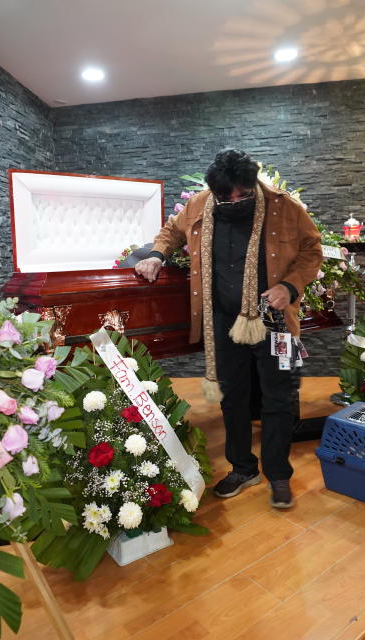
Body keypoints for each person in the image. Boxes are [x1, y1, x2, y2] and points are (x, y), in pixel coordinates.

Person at [135, 149, 322, 508]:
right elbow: (171, 231)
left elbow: (312, 249)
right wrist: (157, 255)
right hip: (222, 321)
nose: (235, 201)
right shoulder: (201, 205)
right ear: (215, 191)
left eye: (243, 194)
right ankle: (242, 467)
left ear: (253, 184)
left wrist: (290, 286)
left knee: (279, 398)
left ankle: (279, 475)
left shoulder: (284, 207)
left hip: (276, 322)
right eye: (227, 196)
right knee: (232, 397)